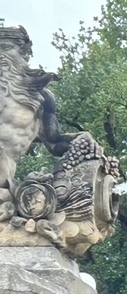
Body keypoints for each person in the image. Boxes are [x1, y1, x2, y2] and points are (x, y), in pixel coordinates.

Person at [0, 26, 75, 190]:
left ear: (22, 54)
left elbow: (54, 142)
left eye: (7, 48)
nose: (1, 56)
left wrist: (80, 141)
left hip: (5, 184)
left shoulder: (42, 100)